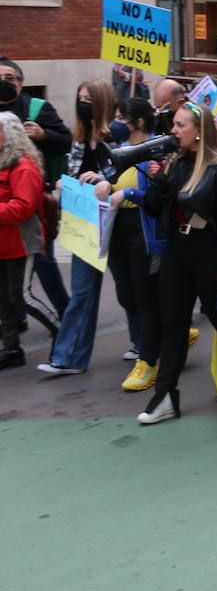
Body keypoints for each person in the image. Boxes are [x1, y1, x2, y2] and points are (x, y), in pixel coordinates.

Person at [134, 102, 217, 424]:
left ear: (199, 132)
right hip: (176, 249)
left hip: (208, 252)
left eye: (180, 125)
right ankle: (165, 397)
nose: (173, 130)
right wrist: (158, 178)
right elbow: (156, 209)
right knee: (174, 326)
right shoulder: (176, 163)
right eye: (174, 125)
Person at [105, 98, 197, 392]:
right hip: (118, 229)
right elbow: (113, 178)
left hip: (144, 231)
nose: (115, 122)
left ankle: (148, 360)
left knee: (146, 298)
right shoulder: (121, 151)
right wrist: (102, 181)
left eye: (121, 116)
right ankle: (171, 337)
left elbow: (160, 197)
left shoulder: (158, 152)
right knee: (127, 296)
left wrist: (130, 193)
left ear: (139, 122)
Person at [37, 80, 120, 377]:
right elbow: (73, 173)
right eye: (79, 98)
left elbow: (121, 174)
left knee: (131, 294)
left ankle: (146, 349)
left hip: (119, 223)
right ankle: (68, 357)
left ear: (102, 102)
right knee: (82, 292)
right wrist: (67, 184)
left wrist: (100, 179)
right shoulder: (78, 137)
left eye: (88, 99)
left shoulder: (118, 135)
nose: (82, 103)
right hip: (86, 222)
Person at [0, 57, 73, 316]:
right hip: (2, 206)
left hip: (32, 203)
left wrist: (44, 135)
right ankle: (14, 321)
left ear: (20, 83)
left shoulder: (38, 108)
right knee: (6, 270)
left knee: (42, 261)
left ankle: (64, 315)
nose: (4, 83)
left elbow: (66, 142)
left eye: (10, 78)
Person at [0, 112, 44, 369]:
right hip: (4, 241)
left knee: (21, 297)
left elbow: (24, 208)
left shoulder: (24, 166)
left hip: (20, 241)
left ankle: (63, 331)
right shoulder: (5, 161)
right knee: (3, 298)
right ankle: (11, 348)